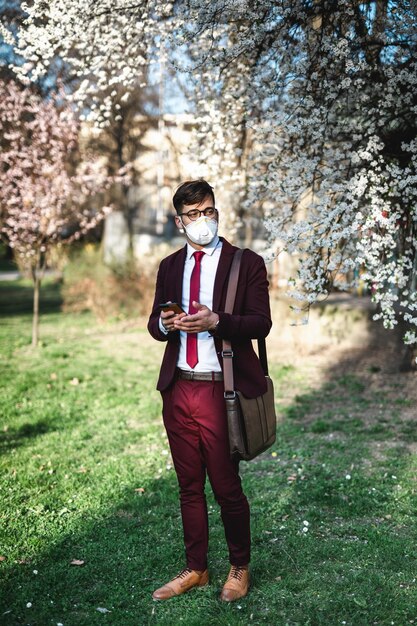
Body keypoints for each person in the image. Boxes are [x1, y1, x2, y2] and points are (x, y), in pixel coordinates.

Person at [147, 179, 272, 602]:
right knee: (188, 485)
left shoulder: (245, 263)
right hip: (178, 386)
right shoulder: (168, 266)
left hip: (222, 388)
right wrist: (167, 323)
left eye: (209, 211)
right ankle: (196, 568)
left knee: (225, 485)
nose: (203, 221)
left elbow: (261, 324)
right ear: (179, 222)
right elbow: (153, 325)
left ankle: (239, 566)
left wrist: (216, 321)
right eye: (194, 215)